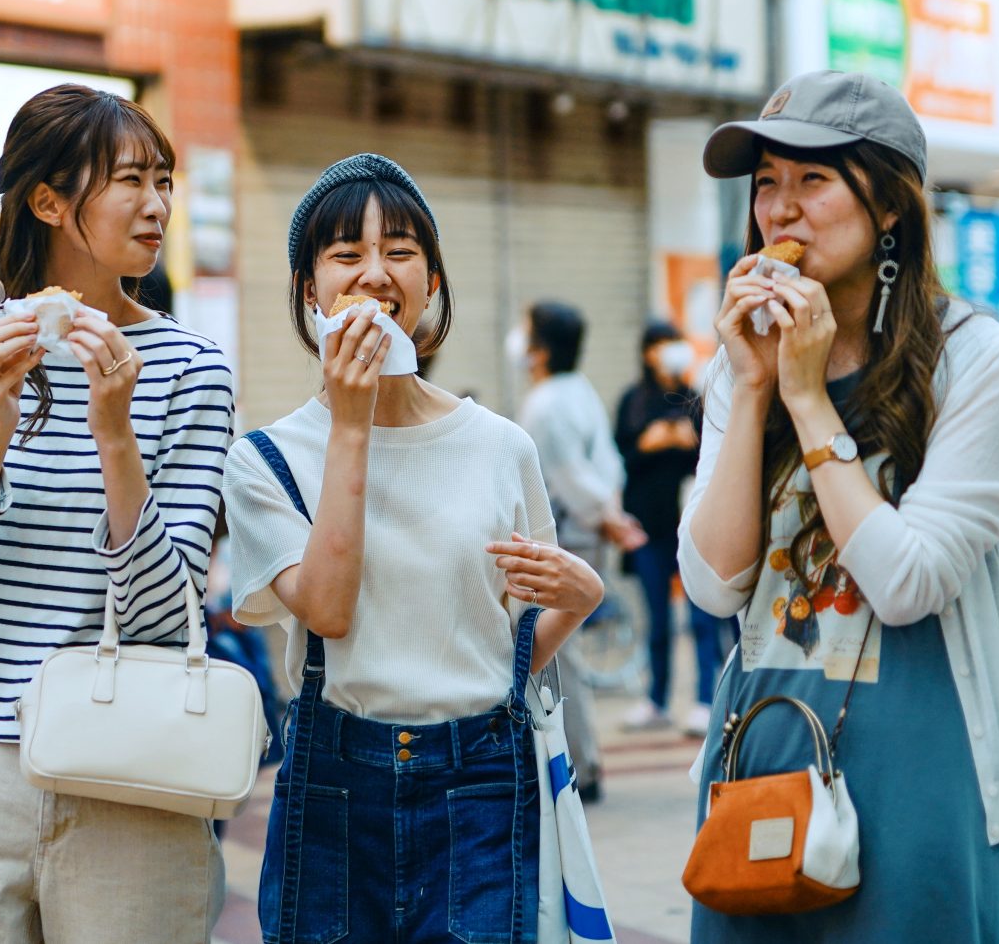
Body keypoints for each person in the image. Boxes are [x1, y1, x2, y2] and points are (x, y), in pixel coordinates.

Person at [680, 71, 999, 943]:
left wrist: (806, 400)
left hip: (918, 762)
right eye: (767, 180)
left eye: (814, 179)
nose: (780, 210)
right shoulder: (743, 363)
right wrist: (757, 384)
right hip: (762, 740)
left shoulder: (983, 360)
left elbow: (908, 581)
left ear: (889, 206)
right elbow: (714, 583)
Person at [224, 154, 606, 944]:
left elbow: (506, 654)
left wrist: (579, 599)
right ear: (309, 288)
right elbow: (328, 609)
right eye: (345, 254)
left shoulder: (501, 446)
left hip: (479, 781)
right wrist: (353, 423)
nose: (374, 273)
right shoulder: (264, 458)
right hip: (333, 786)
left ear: (432, 282)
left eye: (399, 250)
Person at [0, 85, 236, 943]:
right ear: (48, 199)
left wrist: (115, 432)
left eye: (164, 179)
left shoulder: (194, 368)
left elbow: (168, 608)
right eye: (131, 179)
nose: (157, 204)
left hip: (132, 766)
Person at [517, 298, 643, 794]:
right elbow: (606, 464)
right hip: (583, 536)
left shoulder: (545, 403)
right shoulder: (579, 391)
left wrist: (607, 516)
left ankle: (578, 769)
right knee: (561, 657)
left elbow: (568, 476)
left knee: (555, 657)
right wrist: (610, 512)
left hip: (562, 540)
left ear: (540, 349)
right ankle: (578, 763)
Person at [615, 319, 735, 734]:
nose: (669, 350)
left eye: (674, 342)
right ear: (647, 351)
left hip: (691, 524)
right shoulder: (633, 399)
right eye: (661, 343)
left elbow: (711, 453)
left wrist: (679, 439)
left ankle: (706, 698)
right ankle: (656, 700)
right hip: (648, 526)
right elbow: (627, 454)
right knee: (658, 620)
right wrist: (655, 440)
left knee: (703, 618)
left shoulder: (697, 397)